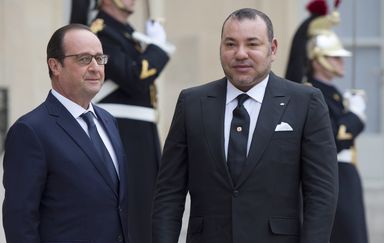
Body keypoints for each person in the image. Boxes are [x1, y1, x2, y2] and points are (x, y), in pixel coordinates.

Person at [152, 8, 339, 243]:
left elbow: (321, 194)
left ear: (272, 49)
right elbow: (169, 192)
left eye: (252, 44)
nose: (240, 54)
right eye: (230, 44)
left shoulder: (306, 102)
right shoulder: (191, 103)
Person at [2, 24, 128, 243]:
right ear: (55, 65)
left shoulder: (109, 121)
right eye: (84, 59)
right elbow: (20, 221)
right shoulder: (30, 131)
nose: (95, 67)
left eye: (99, 58)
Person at [70, 1, 174, 242]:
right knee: (131, 212)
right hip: (121, 132)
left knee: (146, 209)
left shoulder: (125, 33)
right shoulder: (98, 33)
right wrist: (157, 47)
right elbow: (134, 77)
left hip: (139, 134)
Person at [286, 1, 369, 242]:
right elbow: (330, 139)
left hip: (345, 175)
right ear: (318, 58)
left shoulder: (331, 92)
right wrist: (355, 117)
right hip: (333, 176)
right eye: (334, 57)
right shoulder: (312, 92)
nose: (341, 62)